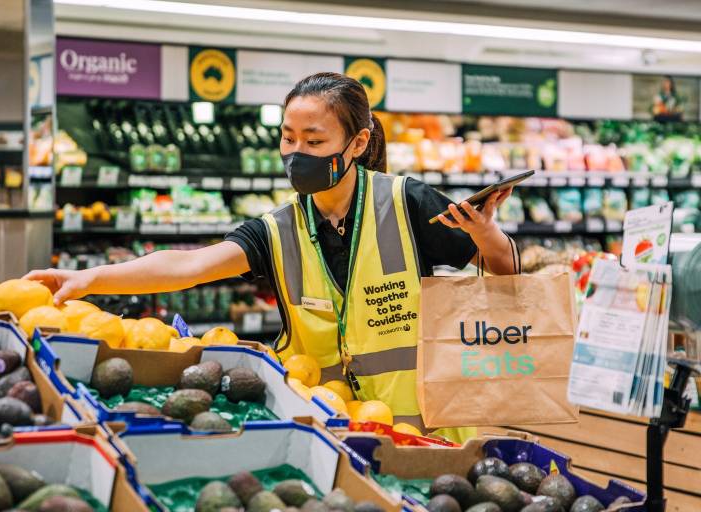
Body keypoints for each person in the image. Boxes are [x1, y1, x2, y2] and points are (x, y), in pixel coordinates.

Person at [26, 72, 518, 438]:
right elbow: (189, 265)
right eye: (288, 138)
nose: (296, 152)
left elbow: (505, 277)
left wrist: (489, 236)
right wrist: (90, 278)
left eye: (314, 140)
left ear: (358, 142)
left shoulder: (405, 200)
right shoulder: (279, 228)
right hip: (323, 429)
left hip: (423, 431)